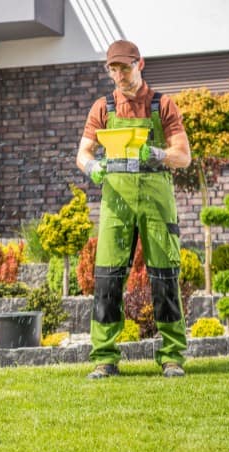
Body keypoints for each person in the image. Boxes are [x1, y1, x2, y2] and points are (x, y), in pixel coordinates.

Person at [76, 40, 192, 379]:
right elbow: (82, 153)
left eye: (124, 67)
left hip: (157, 199)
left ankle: (172, 356)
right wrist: (91, 168)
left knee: (165, 277)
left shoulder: (162, 106)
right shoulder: (103, 107)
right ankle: (104, 358)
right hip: (116, 199)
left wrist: (155, 154)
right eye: (113, 69)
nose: (118, 75)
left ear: (139, 64)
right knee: (107, 278)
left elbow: (183, 156)